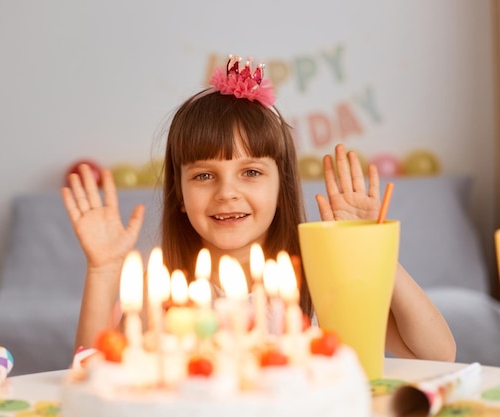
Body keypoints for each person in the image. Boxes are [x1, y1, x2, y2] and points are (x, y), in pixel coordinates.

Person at [62, 55, 456, 362]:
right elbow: (90, 371)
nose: (226, 193)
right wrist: (103, 269)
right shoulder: (164, 296)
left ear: (281, 186)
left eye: (250, 171)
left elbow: (436, 354)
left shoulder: (321, 283)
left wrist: (370, 247)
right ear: (178, 194)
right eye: (203, 176)